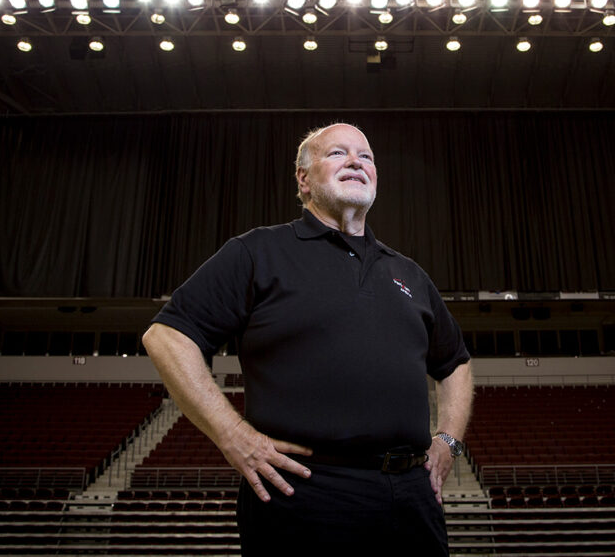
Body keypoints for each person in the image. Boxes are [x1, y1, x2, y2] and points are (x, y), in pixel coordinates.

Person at [142, 123, 473, 556]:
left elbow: (455, 363)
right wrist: (233, 434)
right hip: (304, 494)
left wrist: (447, 440)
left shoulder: (408, 273)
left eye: (366, 156)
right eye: (337, 153)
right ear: (303, 179)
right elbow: (168, 335)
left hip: (411, 496)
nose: (356, 161)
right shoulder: (257, 252)